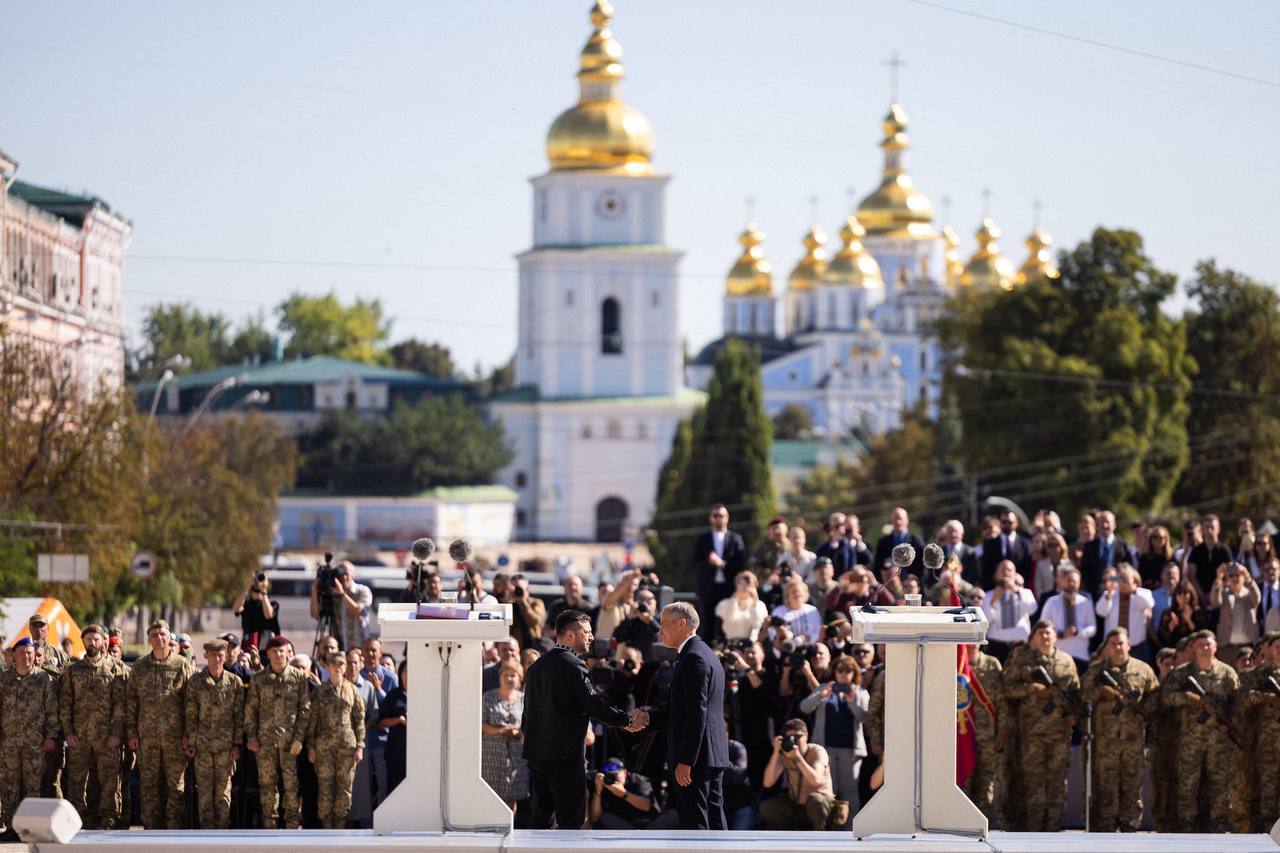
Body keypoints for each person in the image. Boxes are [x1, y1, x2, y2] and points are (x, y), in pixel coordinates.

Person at [521, 610, 643, 830]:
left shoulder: (536, 666)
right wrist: (626, 720)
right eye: (586, 632)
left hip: (537, 756)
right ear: (569, 635)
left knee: (540, 819)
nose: (592, 637)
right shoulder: (573, 665)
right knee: (571, 821)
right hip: (565, 758)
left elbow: (527, 713)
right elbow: (594, 705)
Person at [637, 602, 730, 830]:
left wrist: (687, 760)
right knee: (714, 819)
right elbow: (682, 711)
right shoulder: (702, 653)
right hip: (710, 753)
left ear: (682, 624)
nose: (659, 631)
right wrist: (648, 720)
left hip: (697, 759)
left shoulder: (694, 658)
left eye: (663, 624)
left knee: (696, 822)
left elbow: (697, 714)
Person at [1001, 619, 1079, 831]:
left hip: (1060, 733)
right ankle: (1034, 830)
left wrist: (1074, 715)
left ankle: (1053, 828)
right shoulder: (1023, 660)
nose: (1045, 637)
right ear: (1034, 637)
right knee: (1033, 782)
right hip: (1031, 733)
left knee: (1057, 782)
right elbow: (1007, 689)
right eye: (1041, 633)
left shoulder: (1067, 661)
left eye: (1049, 633)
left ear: (1055, 636)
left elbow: (1076, 693)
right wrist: (1030, 688)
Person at [1161, 629, 1239, 832]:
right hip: (1190, 739)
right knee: (1188, 783)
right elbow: (1165, 698)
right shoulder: (1181, 674)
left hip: (1219, 740)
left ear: (1216, 647)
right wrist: (1188, 698)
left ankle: (1219, 825)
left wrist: (1228, 722)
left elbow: (1237, 704)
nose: (1205, 648)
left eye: (1208, 644)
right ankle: (1185, 825)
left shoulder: (1227, 673)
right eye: (1200, 645)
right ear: (1193, 648)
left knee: (1220, 784)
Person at [1081, 627, 1158, 831]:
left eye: (1121, 643)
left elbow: (1156, 696)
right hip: (1105, 743)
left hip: (1133, 741)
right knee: (1106, 788)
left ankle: (1130, 829)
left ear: (1129, 645)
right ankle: (1106, 830)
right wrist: (1100, 692)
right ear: (1106, 648)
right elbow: (1081, 698)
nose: (1118, 647)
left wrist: (1143, 710)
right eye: (1113, 644)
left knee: (1133, 787)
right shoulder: (1096, 671)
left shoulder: (1143, 670)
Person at [126, 619, 194, 829]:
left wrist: (188, 734)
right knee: (149, 785)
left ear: (170, 637)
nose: (159, 638)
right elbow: (131, 702)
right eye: (154, 635)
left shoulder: (182, 665)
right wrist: (132, 733)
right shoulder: (139, 666)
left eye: (163, 634)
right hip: (148, 738)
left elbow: (190, 703)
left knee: (176, 786)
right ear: (149, 639)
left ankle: (174, 829)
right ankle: (151, 829)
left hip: (175, 739)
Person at [59, 624, 125, 830]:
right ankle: (78, 819)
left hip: (107, 738)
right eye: (88, 640)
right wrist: (68, 733)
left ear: (104, 642)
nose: (92, 643)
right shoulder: (73, 671)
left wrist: (116, 733)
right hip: (80, 737)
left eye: (96, 639)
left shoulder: (116, 669)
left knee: (109, 782)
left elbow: (121, 705)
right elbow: (65, 705)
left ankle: (109, 818)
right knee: (77, 782)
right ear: (83, 642)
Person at [244, 634, 313, 829]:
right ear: (268, 654)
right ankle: (270, 826)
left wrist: (300, 738)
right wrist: (251, 736)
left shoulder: (298, 677)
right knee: (267, 787)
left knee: (291, 786)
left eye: (281, 651)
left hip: (290, 742)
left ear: (287, 653)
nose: (277, 655)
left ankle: (291, 826)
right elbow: (251, 709)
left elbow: (305, 709)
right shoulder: (258, 679)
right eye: (274, 651)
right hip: (265, 742)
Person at [0, 638, 58, 842]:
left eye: (30, 652)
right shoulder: (4, 679)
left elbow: (51, 710)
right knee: (9, 787)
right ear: (14, 656)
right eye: (22, 652)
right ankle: (11, 828)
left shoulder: (42, 679)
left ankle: (31, 829)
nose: (27, 656)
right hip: (8, 744)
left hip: (35, 743)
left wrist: (51, 736)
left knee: (33, 787)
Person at [183, 638, 244, 829]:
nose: (217, 659)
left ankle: (223, 835)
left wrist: (237, 744)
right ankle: (206, 836)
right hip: (203, 746)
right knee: (204, 793)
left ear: (225, 656)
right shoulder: (196, 682)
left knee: (223, 793)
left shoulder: (235, 682)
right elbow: (191, 715)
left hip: (226, 748)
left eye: (220, 655)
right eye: (213, 656)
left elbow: (239, 716)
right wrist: (192, 743)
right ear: (205, 656)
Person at [797, 655, 867, 819]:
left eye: (848, 670)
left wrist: (852, 702)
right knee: (829, 790)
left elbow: (865, 718)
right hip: (825, 749)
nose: (843, 674)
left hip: (851, 751)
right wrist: (821, 695)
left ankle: (851, 829)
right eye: (840, 670)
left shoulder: (861, 693)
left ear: (854, 673)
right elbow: (804, 708)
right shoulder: (824, 688)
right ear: (834, 672)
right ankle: (830, 830)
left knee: (850, 793)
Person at [306, 651, 365, 829]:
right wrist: (311, 747)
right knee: (325, 789)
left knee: (344, 789)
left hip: (347, 748)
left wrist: (360, 746)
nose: (338, 668)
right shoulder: (320, 692)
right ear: (328, 667)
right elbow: (312, 721)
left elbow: (359, 720)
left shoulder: (352, 691)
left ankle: (340, 829)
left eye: (341, 665)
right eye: (335, 665)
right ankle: (327, 829)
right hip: (324, 748)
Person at [759, 718, 838, 830]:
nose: (793, 742)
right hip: (798, 805)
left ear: (806, 735)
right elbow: (767, 783)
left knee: (814, 800)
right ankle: (790, 834)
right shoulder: (785, 755)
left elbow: (816, 781)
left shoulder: (817, 751)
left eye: (797, 737)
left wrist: (797, 758)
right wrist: (776, 753)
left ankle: (822, 833)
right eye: (789, 738)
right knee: (767, 807)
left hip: (821, 805)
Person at [1237, 631, 1280, 831]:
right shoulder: (1254, 675)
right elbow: (1241, 701)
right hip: (1263, 748)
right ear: (1267, 650)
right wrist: (1266, 698)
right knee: (1266, 797)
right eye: (1277, 647)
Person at [481, 659, 530, 811]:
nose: (509, 678)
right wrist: (501, 731)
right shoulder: (488, 697)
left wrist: (521, 731)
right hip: (493, 754)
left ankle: (511, 830)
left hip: (517, 755)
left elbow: (530, 724)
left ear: (519, 678)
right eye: (506, 675)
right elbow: (479, 725)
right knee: (492, 796)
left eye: (513, 675)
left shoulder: (524, 699)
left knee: (511, 796)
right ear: (500, 676)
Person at [693, 504, 747, 640]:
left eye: (721, 516)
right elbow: (695, 563)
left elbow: (741, 563)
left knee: (727, 628)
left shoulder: (735, 539)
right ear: (711, 518)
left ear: (727, 518)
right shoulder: (703, 539)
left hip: (729, 589)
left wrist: (722, 564)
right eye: (715, 515)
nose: (718, 519)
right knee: (707, 629)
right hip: (708, 590)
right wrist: (709, 562)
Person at [960, 643, 1002, 820]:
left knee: (986, 784)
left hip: (988, 735)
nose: (970, 645)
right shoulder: (956, 665)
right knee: (964, 781)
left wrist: (1002, 731)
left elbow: (1002, 701)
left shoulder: (992, 664)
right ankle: (961, 824)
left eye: (974, 640)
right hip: (962, 735)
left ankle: (982, 824)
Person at [345, 647, 380, 826]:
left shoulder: (367, 687)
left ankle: (363, 824)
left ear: (361, 664)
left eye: (355, 662)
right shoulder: (338, 684)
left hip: (360, 744)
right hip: (339, 744)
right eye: (349, 662)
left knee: (361, 786)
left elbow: (374, 715)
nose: (352, 666)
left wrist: (359, 733)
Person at [1038, 566, 1095, 672]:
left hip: (1080, 655)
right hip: (1057, 655)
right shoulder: (1051, 603)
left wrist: (1078, 631)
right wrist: (1060, 634)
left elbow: (1093, 628)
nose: (1072, 584)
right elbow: (1043, 626)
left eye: (1075, 581)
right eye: (1069, 580)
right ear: (1062, 581)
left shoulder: (1086, 603)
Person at [309, 560, 372, 652]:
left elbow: (359, 611)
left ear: (353, 574)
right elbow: (315, 614)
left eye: (346, 573)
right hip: (340, 648)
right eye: (340, 574)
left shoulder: (362, 591)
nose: (343, 577)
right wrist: (314, 591)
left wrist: (342, 594)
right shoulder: (332, 594)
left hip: (360, 647)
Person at [1095, 565, 1154, 661]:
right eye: (1120, 579)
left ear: (1134, 580)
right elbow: (1100, 611)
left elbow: (1148, 603)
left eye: (1125, 579)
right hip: (1113, 646)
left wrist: (1133, 589)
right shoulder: (1110, 594)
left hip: (1136, 648)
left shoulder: (1143, 593)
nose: (1122, 583)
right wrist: (1109, 591)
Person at [981, 561, 1036, 662]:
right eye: (1002, 570)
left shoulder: (1025, 593)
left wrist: (1015, 590)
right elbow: (985, 620)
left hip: (1020, 645)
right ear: (996, 575)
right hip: (997, 646)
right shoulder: (989, 595)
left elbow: (1032, 609)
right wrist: (994, 600)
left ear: (1015, 574)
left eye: (1009, 570)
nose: (1006, 573)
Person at [589, 755, 661, 829]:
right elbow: (595, 818)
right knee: (606, 817)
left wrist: (623, 793)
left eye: (615, 774)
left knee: (672, 815)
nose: (612, 778)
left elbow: (647, 806)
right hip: (625, 829)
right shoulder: (605, 784)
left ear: (625, 772)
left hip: (649, 826)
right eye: (609, 775)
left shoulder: (638, 781)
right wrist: (598, 791)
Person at [1211, 561, 1261, 662]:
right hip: (1227, 647)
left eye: (1238, 575)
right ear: (1227, 578)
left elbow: (1257, 599)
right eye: (1231, 575)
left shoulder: (1248, 593)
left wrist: (1248, 576)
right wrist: (1219, 577)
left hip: (1248, 646)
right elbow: (1215, 601)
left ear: (1243, 577)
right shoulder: (1224, 593)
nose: (1235, 578)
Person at [1187, 513, 1233, 604]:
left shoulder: (1225, 550)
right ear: (1202, 530)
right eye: (1206, 527)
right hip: (1200, 597)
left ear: (1218, 529)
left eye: (1212, 527)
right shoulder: (1196, 551)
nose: (1209, 530)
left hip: (1220, 596)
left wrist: (1215, 593)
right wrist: (1202, 595)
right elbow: (1192, 575)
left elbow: (1229, 574)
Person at [378, 660, 408, 798]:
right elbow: (381, 722)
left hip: (417, 754)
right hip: (396, 752)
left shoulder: (423, 695)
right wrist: (398, 720)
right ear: (401, 674)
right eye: (406, 671)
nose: (409, 675)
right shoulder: (393, 695)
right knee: (395, 790)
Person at [981, 509, 1032, 586]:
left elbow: (1028, 568)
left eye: (1010, 522)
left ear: (1016, 523)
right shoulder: (990, 544)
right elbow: (986, 569)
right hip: (996, 588)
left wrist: (1017, 579)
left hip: (1018, 587)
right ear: (1000, 523)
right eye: (1004, 522)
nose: (1007, 524)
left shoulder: (1025, 544)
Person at [233, 570, 281, 652]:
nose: (258, 582)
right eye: (255, 579)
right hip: (249, 647)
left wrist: (263, 590)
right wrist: (247, 586)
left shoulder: (273, 604)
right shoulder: (246, 604)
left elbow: (268, 615)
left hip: (269, 650)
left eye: (261, 578)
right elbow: (236, 609)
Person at [716, 570, 768, 641]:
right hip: (730, 641)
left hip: (750, 644)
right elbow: (730, 618)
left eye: (749, 584)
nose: (745, 587)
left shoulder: (760, 605)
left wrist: (755, 600)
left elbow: (756, 623)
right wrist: (734, 598)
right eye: (741, 584)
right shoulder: (725, 603)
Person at [874, 507, 925, 579]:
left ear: (907, 520)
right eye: (895, 519)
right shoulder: (883, 542)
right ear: (892, 521)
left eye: (900, 519)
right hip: (890, 584)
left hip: (912, 584)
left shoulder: (916, 541)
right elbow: (878, 566)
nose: (898, 522)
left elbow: (922, 567)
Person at [1155, 579, 1208, 648]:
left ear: (1191, 594)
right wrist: (1171, 626)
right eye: (1179, 593)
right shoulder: (1169, 613)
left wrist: (1189, 621)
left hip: (1193, 649)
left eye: (1185, 593)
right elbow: (1161, 638)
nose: (1182, 596)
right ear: (1175, 596)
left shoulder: (1197, 611)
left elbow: (1203, 633)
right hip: (1175, 650)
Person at [612, 587, 660, 660]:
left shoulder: (661, 619)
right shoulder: (633, 621)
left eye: (649, 600)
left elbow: (663, 635)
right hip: (634, 663)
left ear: (655, 603)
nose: (645, 603)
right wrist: (629, 618)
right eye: (642, 599)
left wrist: (650, 620)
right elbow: (617, 638)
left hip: (655, 664)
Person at [771, 578, 823, 643]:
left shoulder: (813, 611)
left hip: (809, 648)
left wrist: (807, 638)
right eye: (793, 592)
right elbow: (772, 633)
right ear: (787, 596)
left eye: (799, 591)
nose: (796, 594)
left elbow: (818, 631)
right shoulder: (778, 612)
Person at [507, 573, 547, 649]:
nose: (517, 591)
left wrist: (523, 602)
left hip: (534, 646)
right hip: (515, 647)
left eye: (519, 588)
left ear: (527, 589)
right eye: (514, 588)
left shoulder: (536, 603)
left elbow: (534, 621)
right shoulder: (509, 605)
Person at [1259, 558, 1280, 633]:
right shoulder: (1257, 589)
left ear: (1279, 571)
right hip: (1261, 635)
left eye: (1274, 569)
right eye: (1267, 569)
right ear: (1262, 571)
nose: (1271, 572)